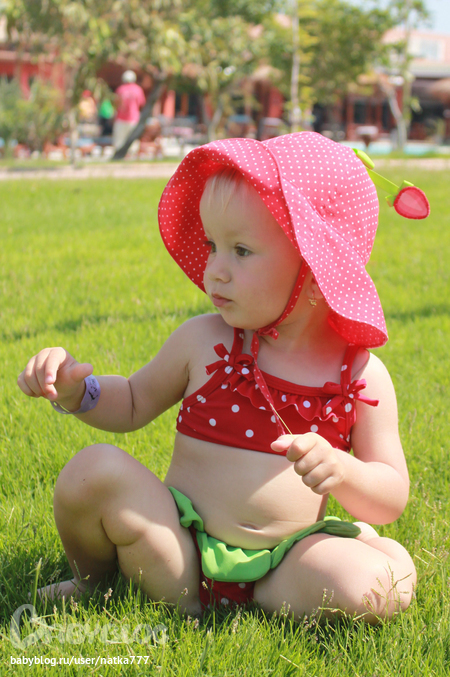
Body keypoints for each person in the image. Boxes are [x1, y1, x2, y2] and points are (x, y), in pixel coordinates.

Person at [17, 132, 430, 623]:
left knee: (373, 590)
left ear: (317, 266)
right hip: (175, 550)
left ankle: (366, 563)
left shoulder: (359, 376)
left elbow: (390, 495)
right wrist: (75, 392)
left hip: (284, 567)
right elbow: (131, 401)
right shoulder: (204, 340)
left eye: (241, 251)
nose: (215, 269)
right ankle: (95, 583)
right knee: (91, 470)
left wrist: (343, 469)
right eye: (212, 246)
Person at [112, 70, 146, 152]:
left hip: (121, 118)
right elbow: (142, 103)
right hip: (134, 119)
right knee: (132, 141)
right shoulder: (138, 89)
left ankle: (119, 155)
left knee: (119, 141)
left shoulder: (120, 89)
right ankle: (132, 154)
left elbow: (116, 103)